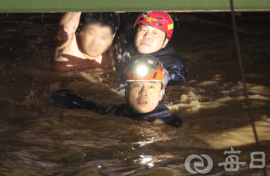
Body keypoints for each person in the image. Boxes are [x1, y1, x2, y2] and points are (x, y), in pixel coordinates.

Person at [52, 55, 182, 128]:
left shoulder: (171, 123)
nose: (143, 92)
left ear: (161, 94)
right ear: (125, 91)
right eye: (136, 85)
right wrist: (76, 102)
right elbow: (97, 109)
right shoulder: (121, 111)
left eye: (152, 87)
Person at [116, 11, 188, 83]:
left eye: (155, 33)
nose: (147, 36)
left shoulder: (173, 65)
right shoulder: (123, 48)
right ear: (135, 34)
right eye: (143, 29)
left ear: (165, 42)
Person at [54, 12, 120, 71]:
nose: (95, 42)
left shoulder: (113, 54)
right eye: (91, 33)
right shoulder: (69, 48)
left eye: (103, 37)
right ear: (82, 28)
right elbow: (66, 29)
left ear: (112, 37)